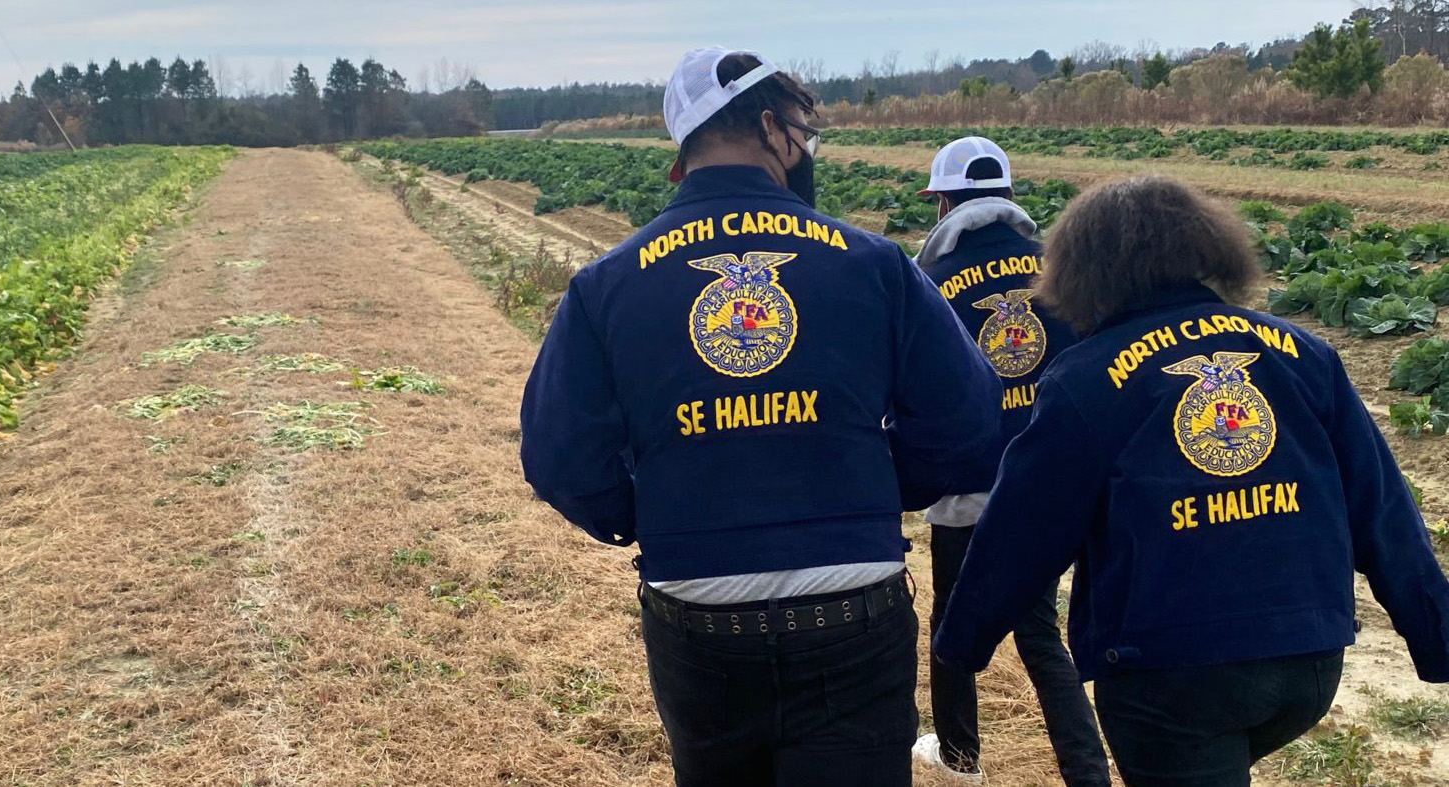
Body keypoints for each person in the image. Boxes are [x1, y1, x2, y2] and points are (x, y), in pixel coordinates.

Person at [520, 46, 1002, 787]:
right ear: (774, 130)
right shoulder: (873, 264)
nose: (807, 147)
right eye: (804, 130)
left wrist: (646, 511)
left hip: (698, 625)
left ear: (685, 156)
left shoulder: (606, 284)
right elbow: (969, 421)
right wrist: (877, 487)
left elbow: (557, 455)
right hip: (853, 619)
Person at [933, 175, 1449, 787]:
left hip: (1172, 674)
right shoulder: (1302, 352)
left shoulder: (1087, 380)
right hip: (1307, 661)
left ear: (1081, 272)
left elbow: (1023, 533)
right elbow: (1382, 508)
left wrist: (961, 645)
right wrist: (1433, 633)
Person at [909, 137, 1110, 787]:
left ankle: (961, 757)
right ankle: (1086, 769)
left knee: (952, 621)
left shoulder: (929, 280)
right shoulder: (1059, 270)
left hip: (964, 485)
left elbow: (915, 385)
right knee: (1040, 635)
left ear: (944, 202)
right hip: (1041, 488)